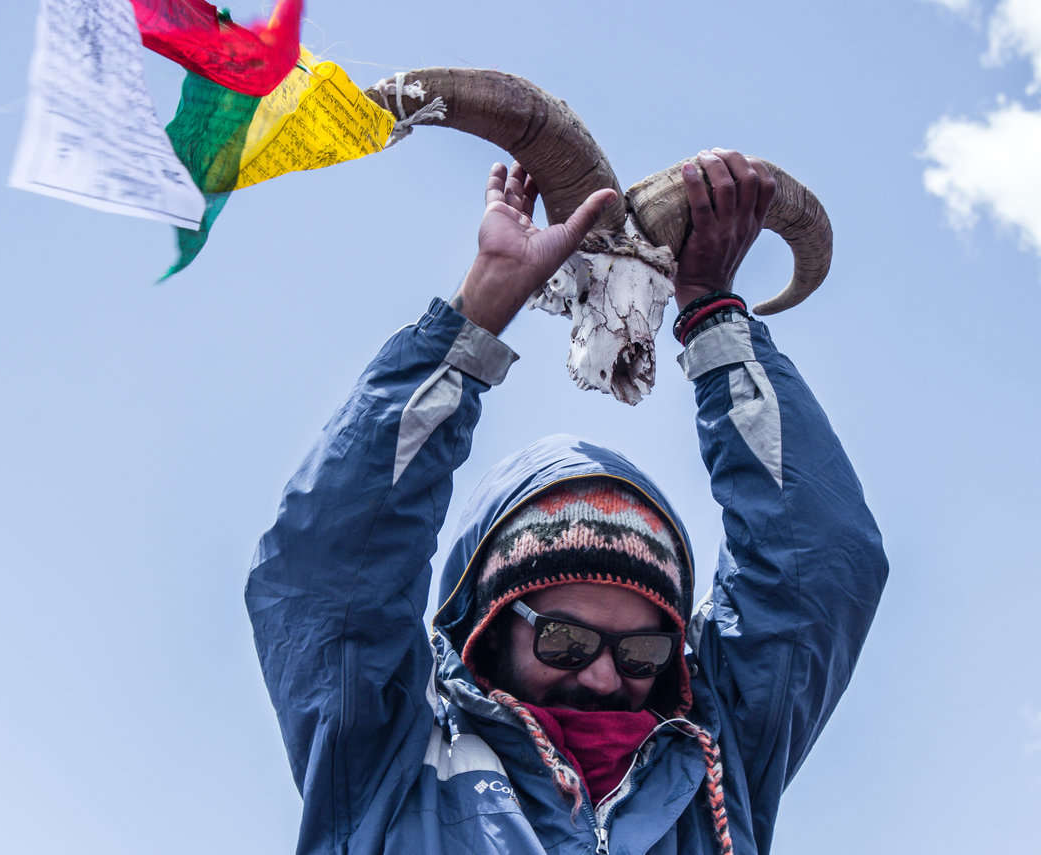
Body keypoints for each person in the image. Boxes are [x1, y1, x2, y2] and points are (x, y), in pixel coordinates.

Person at [245, 149, 887, 854]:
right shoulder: (386, 752)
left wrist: (712, 314)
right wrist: (478, 314)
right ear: (492, 624)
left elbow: (818, 566)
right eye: (565, 640)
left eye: (645, 651)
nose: (606, 674)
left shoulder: (715, 767)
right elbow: (330, 567)